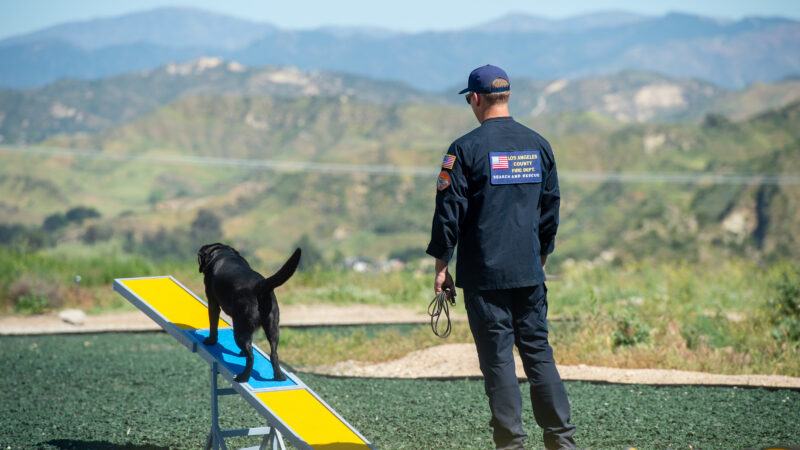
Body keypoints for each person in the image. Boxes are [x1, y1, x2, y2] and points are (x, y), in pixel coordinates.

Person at [426, 64, 576, 450]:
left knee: (498, 363)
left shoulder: (464, 149)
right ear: (506, 96)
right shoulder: (539, 144)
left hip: (484, 278)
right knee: (539, 354)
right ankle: (562, 441)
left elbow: (449, 213)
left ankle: (511, 445)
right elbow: (550, 210)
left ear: (475, 99)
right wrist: (541, 258)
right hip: (529, 273)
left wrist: (441, 267)